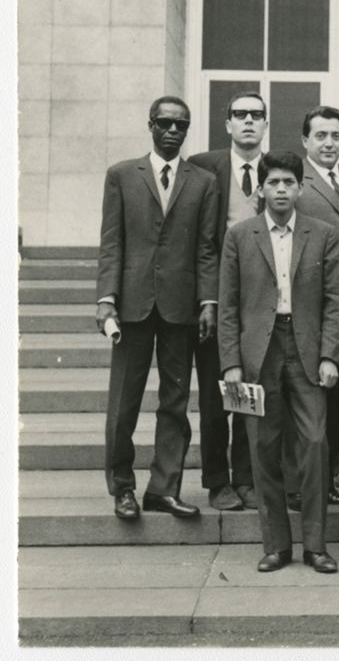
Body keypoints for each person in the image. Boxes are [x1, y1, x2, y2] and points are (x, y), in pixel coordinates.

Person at [218, 150, 339, 574]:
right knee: (263, 447)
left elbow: (335, 302)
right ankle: (276, 545)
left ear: (301, 188)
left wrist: (330, 354)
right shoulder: (240, 236)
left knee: (313, 444)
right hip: (258, 355)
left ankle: (315, 545)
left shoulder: (323, 234)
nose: (282, 190)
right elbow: (229, 307)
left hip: (307, 350)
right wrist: (231, 362)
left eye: (289, 182)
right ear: (261, 189)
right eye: (273, 182)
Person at [97, 95, 218, 520]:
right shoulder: (121, 175)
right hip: (131, 305)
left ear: (187, 130)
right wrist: (106, 299)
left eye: (180, 125)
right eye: (164, 123)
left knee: (175, 402)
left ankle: (163, 488)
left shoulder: (203, 181)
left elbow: (206, 248)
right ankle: (123, 487)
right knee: (123, 403)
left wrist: (208, 301)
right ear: (150, 125)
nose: (172, 131)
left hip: (180, 308)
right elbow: (112, 242)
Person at [189, 91, 266, 512]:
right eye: (241, 115)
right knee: (216, 396)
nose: (249, 121)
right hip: (215, 303)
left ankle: (247, 478)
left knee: (250, 392)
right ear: (228, 124)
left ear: (266, 124)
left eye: (257, 115)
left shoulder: (276, 170)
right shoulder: (204, 166)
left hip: (260, 303)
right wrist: (206, 299)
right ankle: (218, 481)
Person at [295, 106, 339, 506]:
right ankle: (310, 483)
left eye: (335, 136)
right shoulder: (295, 182)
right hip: (312, 306)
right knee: (311, 402)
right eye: (320, 136)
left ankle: (332, 474)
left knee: (337, 400)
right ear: (305, 141)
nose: (329, 143)